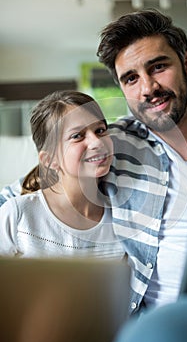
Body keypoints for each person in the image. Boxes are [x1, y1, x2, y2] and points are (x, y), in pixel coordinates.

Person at [1, 9, 187, 316]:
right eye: (131, 78)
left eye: (159, 67)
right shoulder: (114, 144)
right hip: (159, 322)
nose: (148, 88)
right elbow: (26, 191)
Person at [0, 90, 125, 260]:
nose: (96, 142)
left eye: (100, 130)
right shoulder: (18, 214)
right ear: (50, 160)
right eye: (77, 136)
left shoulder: (122, 217)